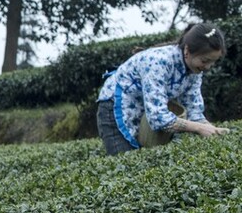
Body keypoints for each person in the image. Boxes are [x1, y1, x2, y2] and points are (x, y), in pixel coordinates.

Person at [96, 22, 231, 155]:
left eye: (213, 62)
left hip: (143, 108)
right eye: (204, 61)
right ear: (187, 51)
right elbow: (158, 118)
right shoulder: (158, 62)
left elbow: (194, 111)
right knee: (124, 163)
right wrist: (199, 128)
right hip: (115, 106)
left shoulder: (194, 71)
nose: (207, 67)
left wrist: (212, 130)